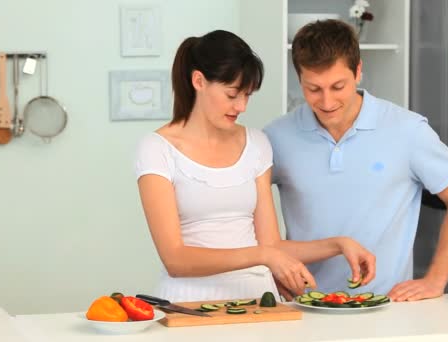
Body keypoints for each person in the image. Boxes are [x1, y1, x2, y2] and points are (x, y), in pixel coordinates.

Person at [134, 29, 376, 303]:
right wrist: (263, 256)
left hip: (258, 300)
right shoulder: (157, 149)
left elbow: (271, 244)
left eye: (247, 95)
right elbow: (175, 259)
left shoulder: (256, 143)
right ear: (199, 81)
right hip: (189, 304)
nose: (241, 106)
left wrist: (339, 245)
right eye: (232, 94)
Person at [264, 19, 448, 302]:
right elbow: (241, 213)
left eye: (338, 86)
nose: (326, 102)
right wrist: (270, 268)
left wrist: (435, 280)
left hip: (387, 307)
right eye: (313, 89)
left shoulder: (408, 130)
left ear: (359, 71)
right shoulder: (276, 137)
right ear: (299, 78)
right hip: (304, 307)